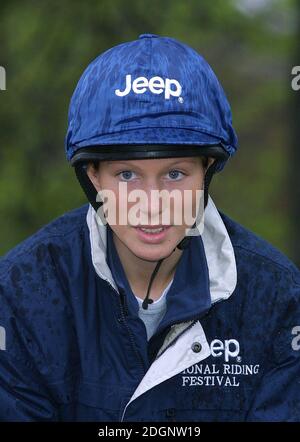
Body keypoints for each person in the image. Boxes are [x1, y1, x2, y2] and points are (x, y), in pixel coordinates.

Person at [0, 33, 299, 422]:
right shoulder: (21, 292)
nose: (152, 202)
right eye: (127, 174)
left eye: (175, 173)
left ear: (207, 171)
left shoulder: (278, 299)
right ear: (92, 176)